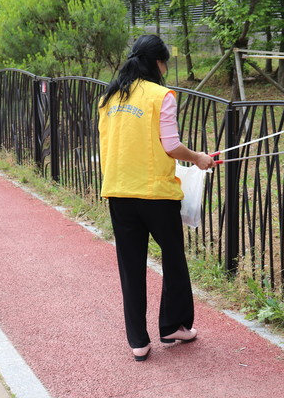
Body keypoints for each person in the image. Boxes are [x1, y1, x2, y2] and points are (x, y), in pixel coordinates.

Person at [98, 34, 215, 362]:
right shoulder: (161, 95)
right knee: (174, 258)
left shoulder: (108, 98)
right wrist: (198, 158)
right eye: (165, 63)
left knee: (130, 267)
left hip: (119, 191)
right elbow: (171, 145)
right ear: (157, 63)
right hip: (156, 194)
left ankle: (138, 341)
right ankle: (173, 325)